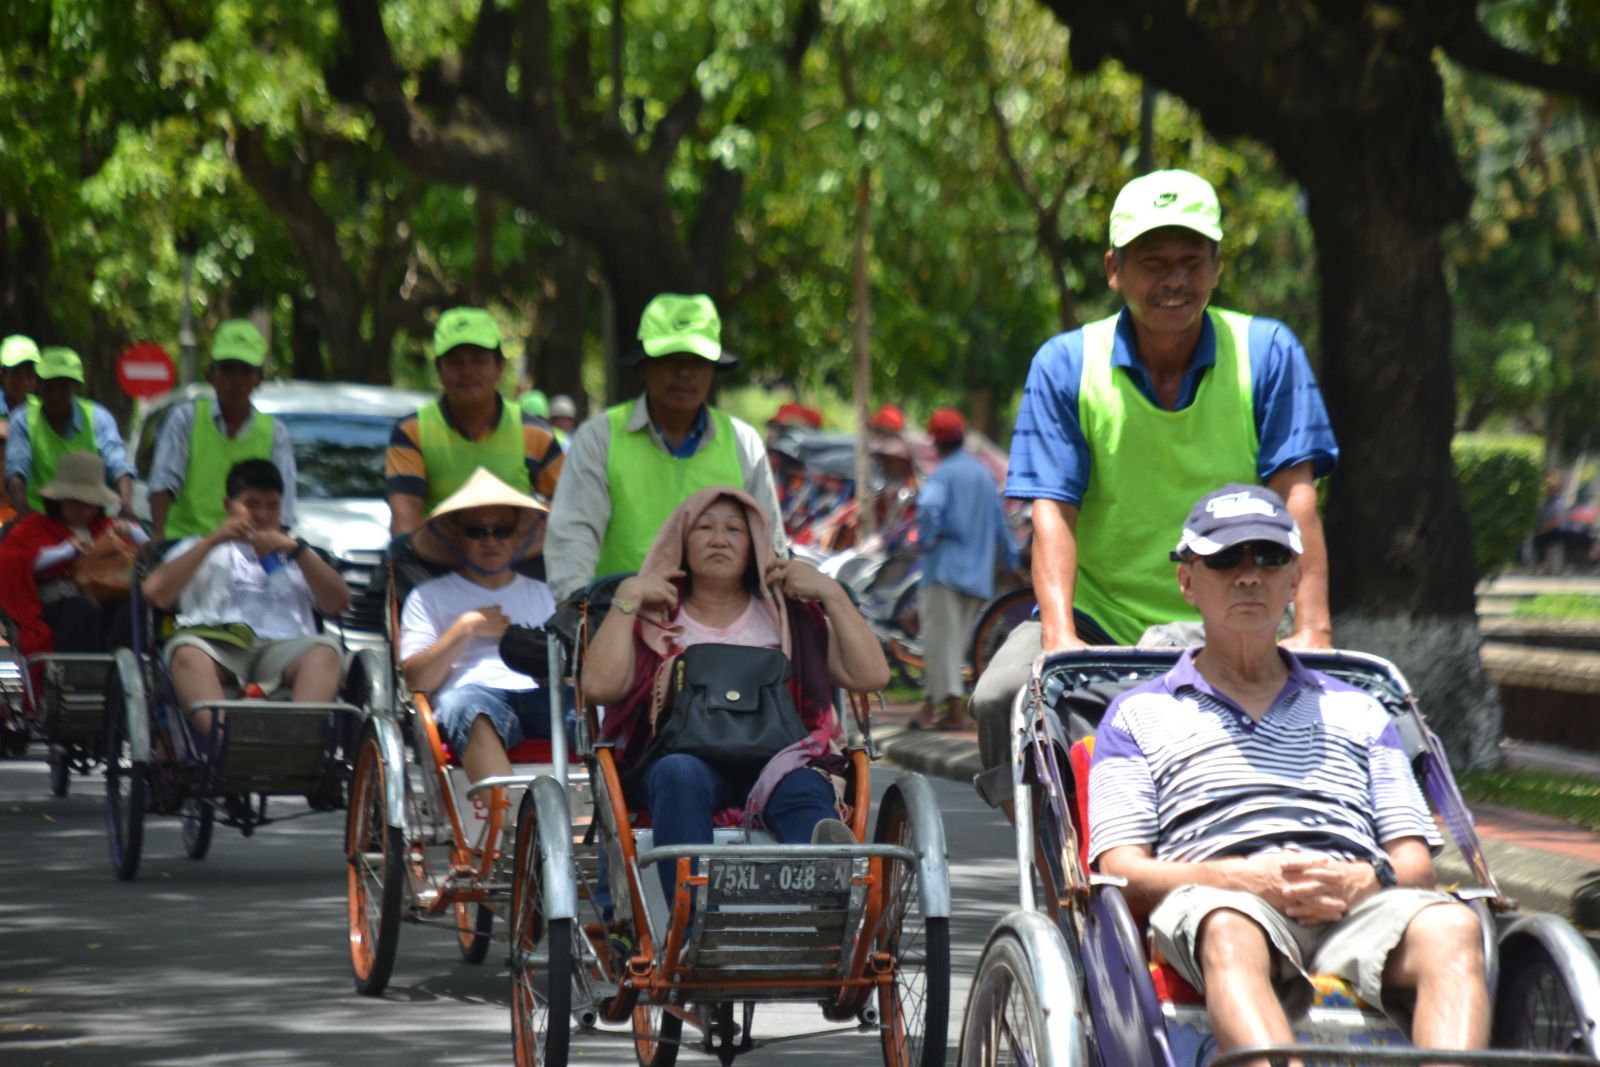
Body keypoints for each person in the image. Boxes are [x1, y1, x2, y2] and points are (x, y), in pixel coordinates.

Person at [971, 169, 1340, 809]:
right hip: (1097, 616)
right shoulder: (1065, 364)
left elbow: (1296, 499)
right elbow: (1051, 510)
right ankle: (1058, 866)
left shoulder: (1267, 351)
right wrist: (1060, 636)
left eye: (1191, 261)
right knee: (1001, 696)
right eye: (1153, 262)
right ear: (1115, 269)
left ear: (1217, 266)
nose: (1174, 280)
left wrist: (1314, 627)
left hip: (1235, 611)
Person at [1088, 483, 1487, 1066]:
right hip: (1218, 899)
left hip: (1354, 902)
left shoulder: (1361, 708)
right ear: (1188, 581)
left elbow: (1414, 863)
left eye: (1269, 558)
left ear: (1295, 579)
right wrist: (1241, 880)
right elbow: (1119, 870)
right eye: (1225, 559)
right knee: (1229, 927)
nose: (1249, 576)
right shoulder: (1137, 715)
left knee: (1454, 927)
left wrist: (1360, 881)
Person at [584, 487, 889, 900]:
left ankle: (823, 903)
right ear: (681, 542)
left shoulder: (790, 614)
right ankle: (689, 930)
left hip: (782, 758)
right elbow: (599, 687)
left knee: (803, 790)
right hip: (684, 758)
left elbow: (872, 675)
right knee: (678, 774)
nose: (719, 539)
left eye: (734, 530)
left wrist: (831, 592)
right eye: (704, 528)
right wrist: (627, 598)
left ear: (756, 545)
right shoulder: (654, 617)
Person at [544, 294, 784, 600]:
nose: (684, 373)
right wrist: (580, 614)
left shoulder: (743, 442)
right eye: (670, 360)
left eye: (696, 362)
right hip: (621, 622)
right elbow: (573, 538)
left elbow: (770, 548)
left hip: (723, 633)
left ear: (713, 369)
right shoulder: (600, 437)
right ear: (644, 365)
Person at [141, 459, 351, 737]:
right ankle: (224, 744)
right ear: (229, 506)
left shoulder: (298, 554)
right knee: (186, 654)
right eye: (252, 505)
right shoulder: (197, 547)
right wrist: (212, 541)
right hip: (219, 645)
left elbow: (339, 603)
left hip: (283, 648)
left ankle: (298, 743)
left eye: (273, 507)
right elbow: (154, 593)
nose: (263, 515)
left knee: (326, 652)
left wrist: (296, 550)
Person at [397, 468, 559, 785]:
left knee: (596, 713)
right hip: (470, 697)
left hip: (538, 697)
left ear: (517, 534)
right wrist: (466, 627)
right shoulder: (428, 596)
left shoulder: (544, 595)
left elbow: (569, 671)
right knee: (470, 709)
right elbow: (417, 681)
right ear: (456, 535)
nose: (491, 541)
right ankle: (510, 825)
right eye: (476, 531)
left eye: (502, 530)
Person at [386, 307, 563, 536]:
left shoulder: (533, 433)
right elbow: (404, 521)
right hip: (436, 567)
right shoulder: (412, 432)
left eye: (479, 361)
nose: (467, 371)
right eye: (456, 362)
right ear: (439, 369)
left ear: (500, 367)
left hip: (519, 567)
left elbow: (571, 506)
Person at [0, 453, 147, 691]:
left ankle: (128, 686)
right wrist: (65, 550)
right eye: (75, 501)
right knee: (82, 610)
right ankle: (80, 685)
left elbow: (149, 556)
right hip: (55, 607)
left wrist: (133, 533)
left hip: (108, 604)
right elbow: (10, 564)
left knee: (132, 609)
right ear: (59, 499)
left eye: (89, 502)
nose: (83, 509)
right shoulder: (33, 527)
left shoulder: (108, 527)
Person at [911, 408, 1019, 731]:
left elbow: (930, 506)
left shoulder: (943, 474)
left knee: (939, 643)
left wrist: (927, 538)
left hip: (944, 571)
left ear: (936, 443)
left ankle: (953, 711)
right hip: (976, 575)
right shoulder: (984, 475)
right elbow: (1002, 524)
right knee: (955, 644)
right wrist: (1012, 561)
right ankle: (932, 708)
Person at [148, 319, 298, 540]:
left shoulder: (275, 433)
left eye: (246, 372)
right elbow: (163, 483)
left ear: (257, 380)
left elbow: (284, 508)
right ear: (211, 376)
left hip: (249, 550)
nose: (236, 380)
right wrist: (158, 538)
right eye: (227, 370)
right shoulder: (186, 420)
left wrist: (273, 548)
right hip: (187, 545)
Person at [5, 347, 137, 520]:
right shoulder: (23, 420)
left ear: (76, 388)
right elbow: (16, 472)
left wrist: (126, 505)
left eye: (64, 388)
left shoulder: (98, 419)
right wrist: (24, 515)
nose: (56, 396)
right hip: (39, 518)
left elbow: (119, 466)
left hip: (89, 520)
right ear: (38, 385)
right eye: (50, 388)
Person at [0, 334, 40, 419]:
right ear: (2, 374)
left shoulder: (41, 412)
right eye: (17, 374)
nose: (24, 382)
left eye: (29, 375)